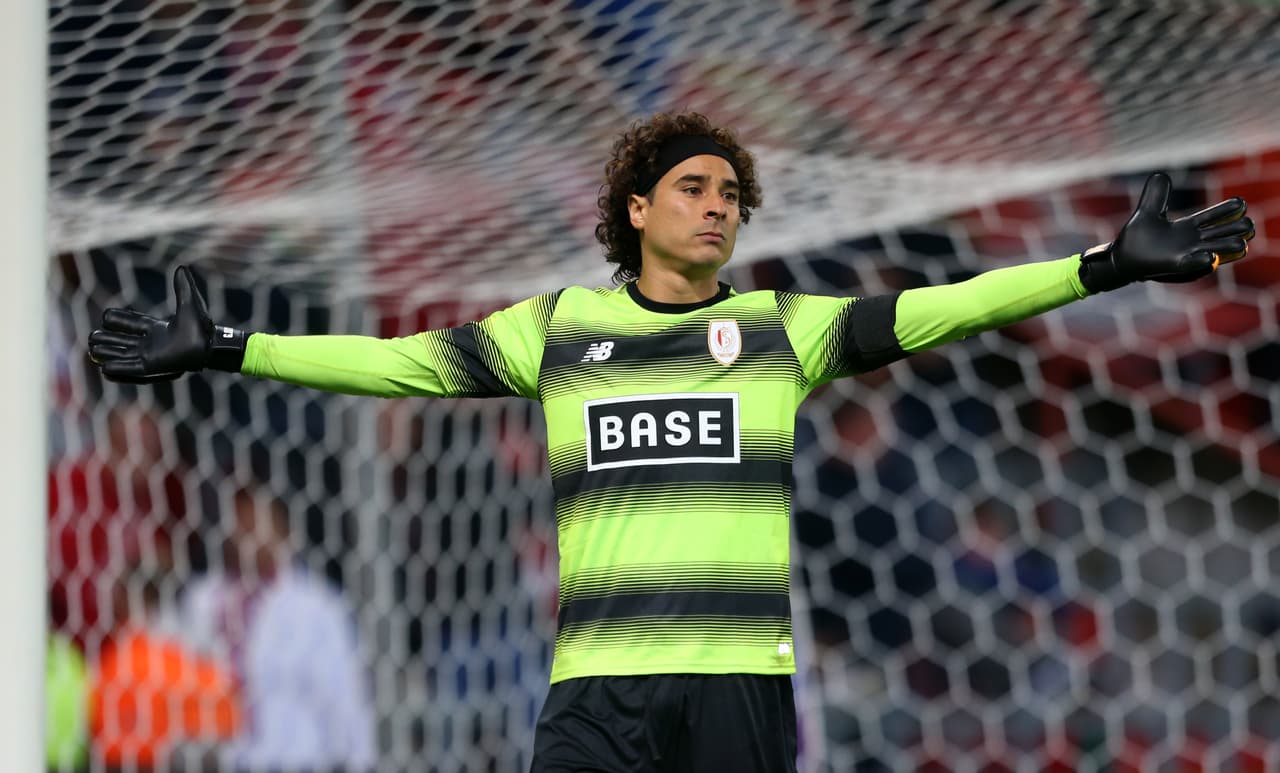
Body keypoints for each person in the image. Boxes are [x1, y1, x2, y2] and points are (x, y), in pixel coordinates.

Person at [88, 111, 1255, 772]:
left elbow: (951, 304)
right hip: (595, 693)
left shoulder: (778, 332)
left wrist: (1097, 267)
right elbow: (394, 364)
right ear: (634, 210)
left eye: (731, 194)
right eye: (692, 186)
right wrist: (235, 347)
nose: (717, 204)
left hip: (735, 693)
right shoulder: (555, 329)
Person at [176, 484, 376, 772]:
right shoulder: (203, 601)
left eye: (256, 520)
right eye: (239, 520)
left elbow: (345, 701)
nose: (246, 532)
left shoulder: (318, 607)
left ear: (284, 529)